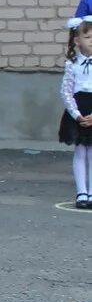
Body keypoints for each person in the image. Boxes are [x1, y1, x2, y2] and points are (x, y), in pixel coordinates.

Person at [60, 17, 92, 208]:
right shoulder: (72, 65)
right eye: (87, 36)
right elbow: (65, 91)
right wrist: (76, 114)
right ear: (77, 40)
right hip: (79, 109)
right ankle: (81, 192)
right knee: (80, 152)